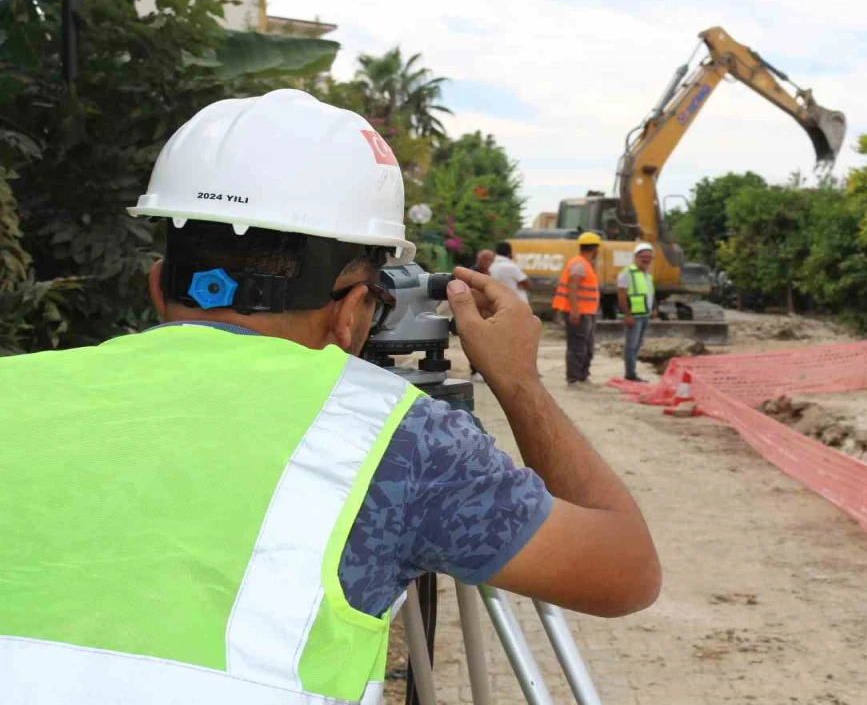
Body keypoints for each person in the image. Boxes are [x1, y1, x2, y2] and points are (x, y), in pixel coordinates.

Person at [0, 90, 660, 705]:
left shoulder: (13, 388)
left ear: (156, 284)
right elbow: (626, 570)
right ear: (351, 313)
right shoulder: (399, 444)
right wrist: (519, 381)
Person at [552, 232, 601, 385]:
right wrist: (575, 310)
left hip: (587, 312)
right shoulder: (579, 264)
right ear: (595, 248)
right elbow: (572, 287)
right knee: (577, 347)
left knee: (587, 347)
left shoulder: (583, 264)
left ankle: (582, 376)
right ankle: (574, 378)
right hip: (579, 313)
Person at [617, 242, 656, 382]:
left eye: (648, 257)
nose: (646, 259)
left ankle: (632, 372)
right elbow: (621, 295)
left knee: (637, 345)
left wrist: (653, 308)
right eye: (643, 257)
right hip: (634, 316)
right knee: (631, 346)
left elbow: (650, 293)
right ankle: (630, 374)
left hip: (644, 314)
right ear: (636, 257)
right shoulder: (627, 273)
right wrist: (627, 315)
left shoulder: (647, 274)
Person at [469, 248, 496, 382]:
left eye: (490, 260)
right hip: (475, 313)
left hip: (486, 314)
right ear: (478, 259)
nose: (488, 262)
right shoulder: (472, 273)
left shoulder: (489, 273)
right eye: (486, 259)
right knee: (476, 343)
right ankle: (475, 370)